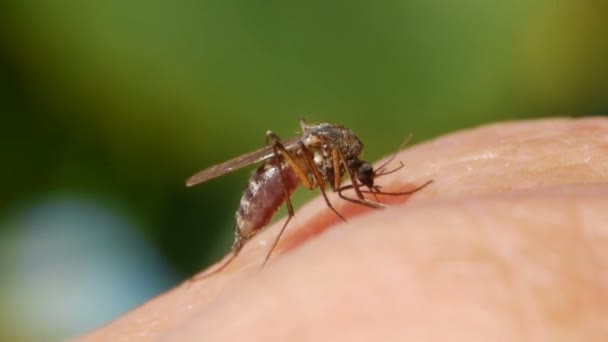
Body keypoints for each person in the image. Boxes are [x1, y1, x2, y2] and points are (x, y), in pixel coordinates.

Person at [78, 117, 608, 341]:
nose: (362, 182)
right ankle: (239, 253)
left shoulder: (345, 158)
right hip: (278, 175)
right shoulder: (329, 157)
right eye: (362, 178)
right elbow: (321, 169)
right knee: (286, 172)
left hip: (301, 166)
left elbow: (340, 176)